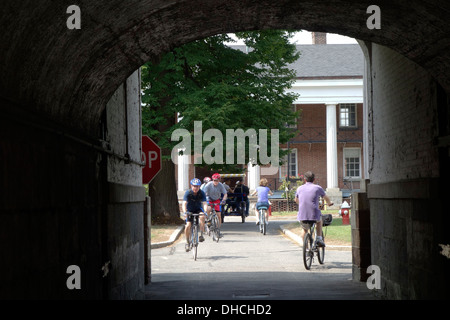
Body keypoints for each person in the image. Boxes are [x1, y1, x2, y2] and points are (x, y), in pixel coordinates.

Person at [294, 171, 333, 247]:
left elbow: (296, 200)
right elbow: (326, 197)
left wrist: (301, 204)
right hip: (314, 213)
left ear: (304, 179)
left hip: (302, 213)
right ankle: (318, 238)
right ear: (314, 179)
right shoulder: (317, 188)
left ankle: (306, 247)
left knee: (304, 229)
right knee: (319, 221)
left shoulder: (299, 188)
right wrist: (329, 203)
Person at [183, 178, 207, 252]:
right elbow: (184, 203)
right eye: (194, 186)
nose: (195, 188)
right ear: (191, 186)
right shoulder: (188, 193)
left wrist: (205, 211)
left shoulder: (201, 193)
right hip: (189, 210)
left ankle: (201, 234)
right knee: (187, 226)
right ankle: (187, 242)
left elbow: (205, 203)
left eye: (197, 186)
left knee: (202, 217)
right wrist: (185, 212)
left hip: (198, 209)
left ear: (199, 186)